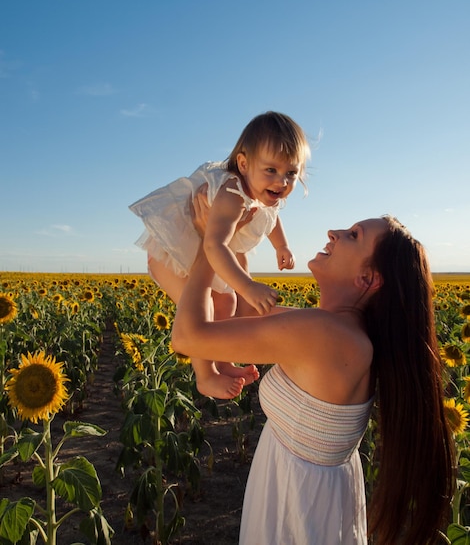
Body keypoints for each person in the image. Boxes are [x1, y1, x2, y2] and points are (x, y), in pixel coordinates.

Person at [171, 212, 455, 545]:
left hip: (300, 509)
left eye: (353, 235)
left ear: (368, 278)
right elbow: (243, 314)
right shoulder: (333, 328)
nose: (333, 232)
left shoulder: (328, 335)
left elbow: (187, 338)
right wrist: (236, 239)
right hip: (301, 495)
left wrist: (210, 242)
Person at [129, 111, 311, 399]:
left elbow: (272, 217)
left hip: (202, 253)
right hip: (171, 256)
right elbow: (214, 246)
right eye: (272, 171)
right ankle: (206, 375)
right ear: (243, 163)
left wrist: (281, 246)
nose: (282, 182)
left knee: (227, 301)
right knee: (206, 312)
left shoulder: (263, 192)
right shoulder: (232, 195)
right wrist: (248, 287)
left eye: (291, 173)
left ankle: (224, 362)